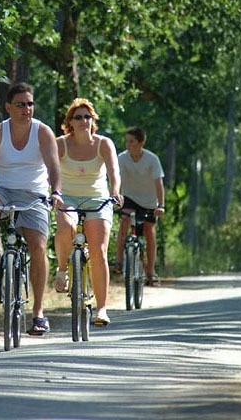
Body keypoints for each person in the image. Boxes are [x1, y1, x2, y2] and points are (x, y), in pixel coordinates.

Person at [0, 82, 63, 336]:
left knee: (38, 247)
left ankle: (39, 313)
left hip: (35, 193)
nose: (26, 109)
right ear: (8, 107)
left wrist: (56, 192)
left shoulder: (43, 132)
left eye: (30, 104)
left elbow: (54, 169)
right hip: (3, 189)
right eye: (20, 104)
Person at [52, 98, 122, 327]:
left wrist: (115, 193)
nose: (83, 121)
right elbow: (49, 172)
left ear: (93, 120)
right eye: (78, 117)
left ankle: (101, 309)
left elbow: (114, 172)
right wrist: (53, 193)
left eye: (87, 117)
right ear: (70, 122)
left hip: (98, 199)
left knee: (99, 251)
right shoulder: (60, 144)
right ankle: (62, 270)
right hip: (68, 198)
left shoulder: (104, 144)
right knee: (64, 226)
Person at [114, 127, 165, 286]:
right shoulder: (122, 158)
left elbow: (159, 183)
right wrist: (114, 197)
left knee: (149, 231)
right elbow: (117, 178)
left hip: (149, 201)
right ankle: (119, 262)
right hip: (129, 197)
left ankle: (150, 271)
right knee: (125, 221)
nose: (128, 145)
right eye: (127, 141)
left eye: (132, 142)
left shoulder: (152, 159)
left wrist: (161, 205)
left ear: (141, 143)